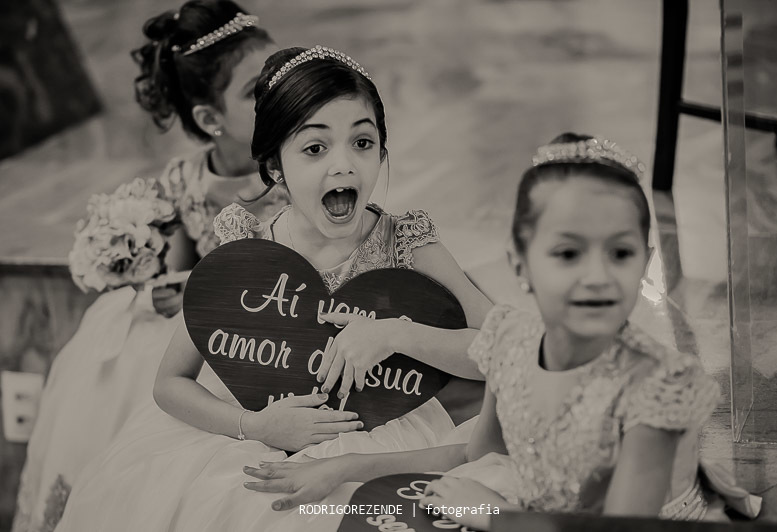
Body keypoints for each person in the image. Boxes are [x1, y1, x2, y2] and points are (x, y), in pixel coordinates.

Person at [52, 45, 492, 532]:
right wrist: (256, 427)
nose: (344, 166)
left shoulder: (407, 244)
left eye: (362, 143)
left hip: (384, 441)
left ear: (383, 151)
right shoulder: (248, 251)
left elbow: (503, 350)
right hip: (247, 440)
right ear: (276, 166)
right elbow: (169, 384)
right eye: (314, 148)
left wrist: (393, 335)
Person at [242, 134, 762, 530]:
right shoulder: (512, 342)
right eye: (567, 253)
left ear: (646, 262)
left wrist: (497, 516)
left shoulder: (659, 389)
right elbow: (480, 458)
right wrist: (348, 467)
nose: (596, 275)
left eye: (620, 252)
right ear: (521, 264)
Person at [12, 3, 288, 531]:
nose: (279, 95)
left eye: (282, 75)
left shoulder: (292, 170)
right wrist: (159, 279)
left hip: (262, 324)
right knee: (127, 339)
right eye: (257, 90)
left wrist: (203, 287)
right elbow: (181, 270)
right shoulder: (185, 179)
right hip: (201, 327)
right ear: (210, 120)